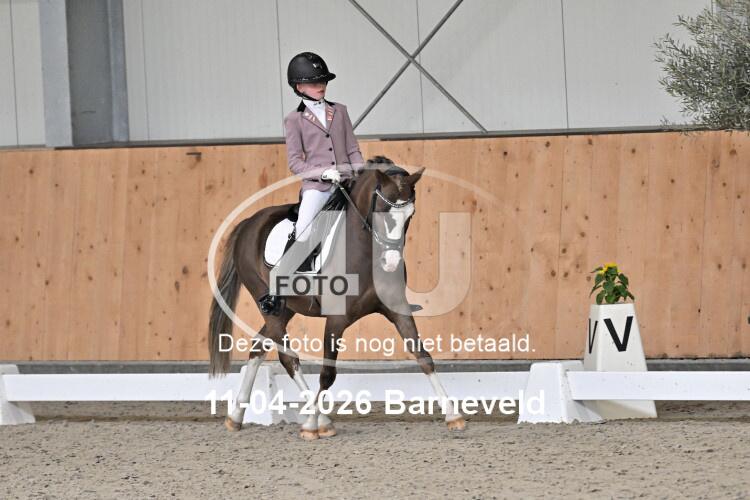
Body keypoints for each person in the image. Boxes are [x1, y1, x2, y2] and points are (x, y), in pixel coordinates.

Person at [282, 52, 364, 271]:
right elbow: (295, 162)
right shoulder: (294, 120)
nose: (321, 86)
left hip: (348, 183)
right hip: (318, 188)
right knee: (304, 229)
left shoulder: (340, 111)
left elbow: (352, 149)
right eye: (314, 82)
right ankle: (293, 273)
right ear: (299, 87)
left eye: (323, 81)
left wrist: (362, 173)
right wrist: (323, 173)